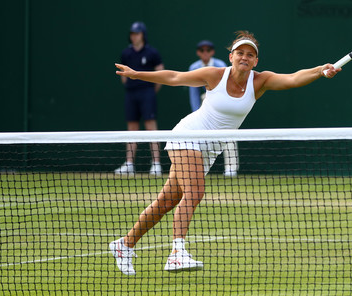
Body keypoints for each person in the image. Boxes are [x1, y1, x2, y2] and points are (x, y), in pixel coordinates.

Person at [109, 31, 339, 275]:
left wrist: (320, 71)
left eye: (250, 55)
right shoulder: (214, 75)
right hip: (188, 135)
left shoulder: (260, 81)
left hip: (210, 150)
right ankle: (177, 253)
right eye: (240, 53)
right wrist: (137, 74)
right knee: (195, 192)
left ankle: (124, 244)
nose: (245, 57)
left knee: (166, 201)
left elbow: (293, 78)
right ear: (231, 56)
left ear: (255, 61)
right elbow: (176, 76)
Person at [114, 21, 165, 176]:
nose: (134, 36)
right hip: (131, 94)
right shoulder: (126, 53)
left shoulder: (152, 53)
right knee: (132, 128)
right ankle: (129, 164)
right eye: (132, 34)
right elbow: (123, 76)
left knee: (151, 126)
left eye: (137, 33)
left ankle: (156, 164)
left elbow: (160, 73)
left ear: (143, 35)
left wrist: (149, 90)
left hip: (147, 93)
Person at [189, 40, 239, 177]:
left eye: (208, 50)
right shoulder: (194, 67)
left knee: (228, 136)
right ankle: (200, 169)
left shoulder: (220, 65)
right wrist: (196, 112)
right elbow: (193, 92)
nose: (205, 53)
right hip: (204, 104)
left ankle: (231, 168)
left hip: (222, 104)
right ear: (198, 52)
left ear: (212, 52)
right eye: (202, 50)